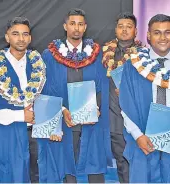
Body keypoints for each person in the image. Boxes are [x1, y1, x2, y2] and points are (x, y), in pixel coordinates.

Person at [119, 14, 170, 183]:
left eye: (167, 32)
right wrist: (138, 135)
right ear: (148, 36)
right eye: (157, 33)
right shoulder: (133, 65)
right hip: (143, 139)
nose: (163, 38)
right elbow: (126, 103)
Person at [38, 8, 111, 183]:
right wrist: (61, 110)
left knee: (94, 160)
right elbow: (44, 88)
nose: (76, 28)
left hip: (91, 119)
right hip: (62, 117)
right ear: (65, 26)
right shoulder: (50, 55)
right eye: (72, 24)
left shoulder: (96, 53)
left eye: (80, 24)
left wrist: (97, 108)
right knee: (65, 163)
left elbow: (103, 84)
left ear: (85, 27)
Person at [0, 17, 45, 183]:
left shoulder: (39, 65)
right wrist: (20, 116)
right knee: (8, 177)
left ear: (30, 37)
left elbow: (50, 95)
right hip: (6, 135)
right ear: (7, 37)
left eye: (25, 34)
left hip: (37, 135)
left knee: (38, 177)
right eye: (15, 34)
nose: (21, 38)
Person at [101, 12, 142, 183]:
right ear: (115, 30)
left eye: (129, 27)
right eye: (121, 26)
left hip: (138, 117)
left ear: (136, 31)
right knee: (121, 160)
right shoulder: (103, 54)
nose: (124, 30)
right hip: (115, 116)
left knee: (139, 161)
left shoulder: (144, 55)